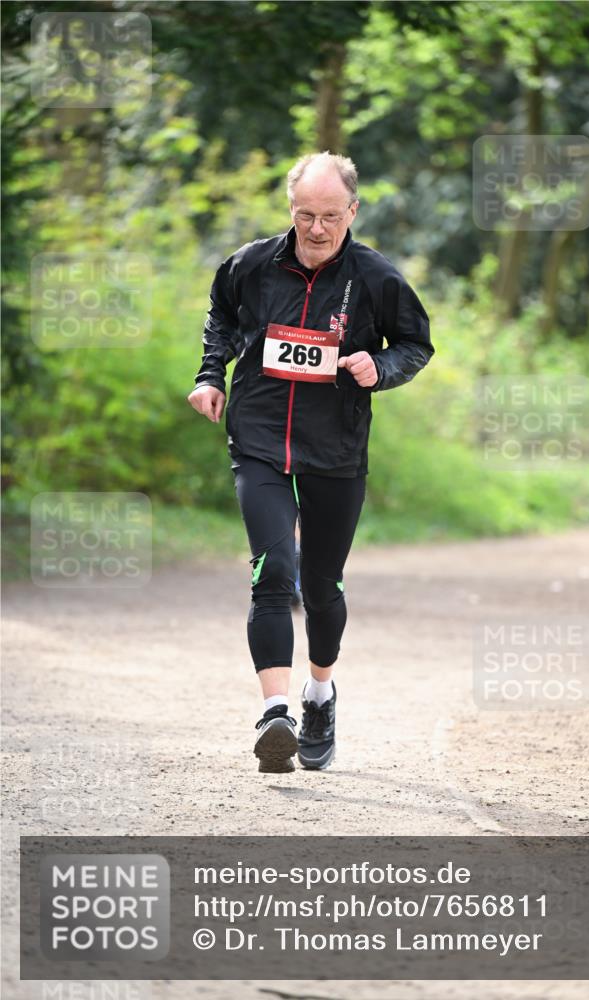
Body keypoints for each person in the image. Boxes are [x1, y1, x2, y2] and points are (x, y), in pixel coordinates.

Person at [187, 151, 433, 774]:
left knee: (321, 588)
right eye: (304, 215)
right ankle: (276, 715)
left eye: (329, 215)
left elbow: (415, 344)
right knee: (274, 571)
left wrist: (381, 368)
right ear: (290, 211)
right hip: (260, 438)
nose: (316, 229)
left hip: (335, 450)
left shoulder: (377, 278)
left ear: (352, 210)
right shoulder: (251, 265)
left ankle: (319, 693)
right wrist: (211, 374)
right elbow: (221, 315)